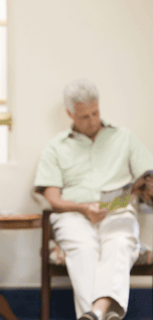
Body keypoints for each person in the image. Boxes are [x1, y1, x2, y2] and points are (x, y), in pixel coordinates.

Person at [34, 78, 153, 320]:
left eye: (95, 113)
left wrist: (146, 188)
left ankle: (95, 313)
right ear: (69, 114)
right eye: (84, 117)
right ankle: (105, 313)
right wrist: (84, 208)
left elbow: (147, 180)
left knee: (120, 242)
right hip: (73, 215)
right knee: (84, 249)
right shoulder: (55, 147)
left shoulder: (125, 138)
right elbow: (53, 198)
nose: (92, 121)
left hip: (117, 211)